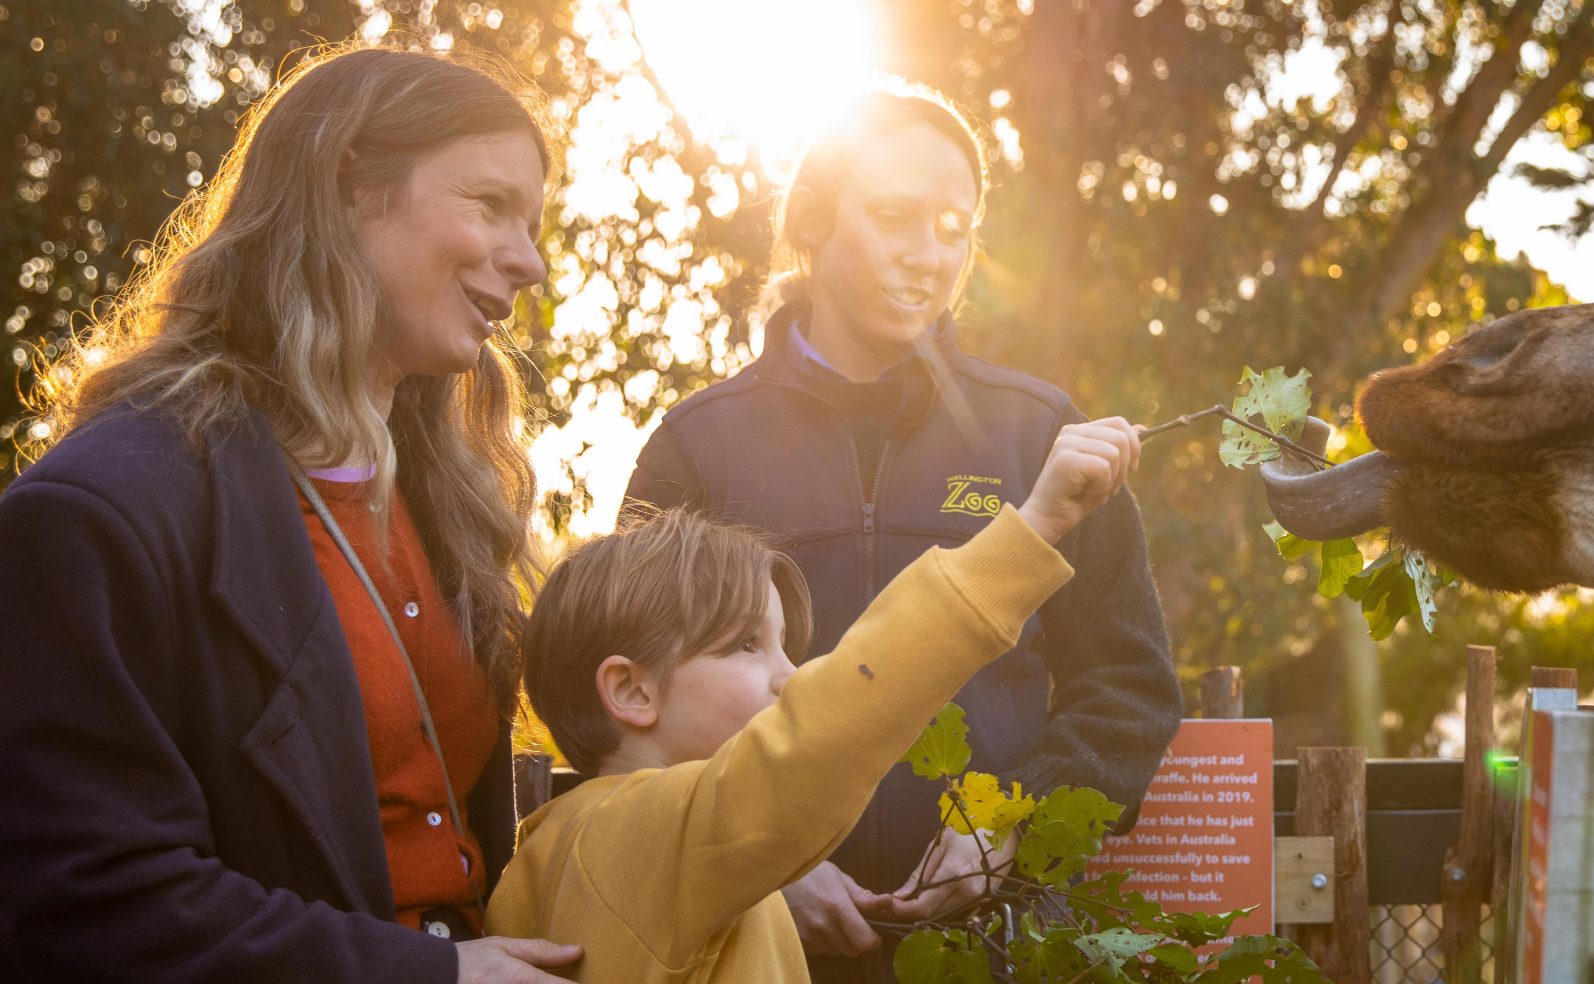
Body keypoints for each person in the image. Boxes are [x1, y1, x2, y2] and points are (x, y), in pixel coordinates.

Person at [0, 46, 583, 984]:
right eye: (490, 205)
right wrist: (432, 976)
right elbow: (93, 902)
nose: (532, 261)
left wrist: (701, 850)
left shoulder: (444, 493)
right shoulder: (97, 511)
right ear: (352, 185)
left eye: (535, 223)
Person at [619, 82, 1183, 978]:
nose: (929, 254)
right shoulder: (696, 450)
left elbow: (1129, 691)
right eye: (894, 216)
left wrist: (1010, 824)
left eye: (955, 227)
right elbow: (631, 717)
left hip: (997, 945)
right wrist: (761, 866)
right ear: (812, 221)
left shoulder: (1042, 437)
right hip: (759, 948)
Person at [491, 418, 1137, 983]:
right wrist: (1034, 527)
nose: (791, 678)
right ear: (632, 690)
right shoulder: (657, 832)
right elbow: (834, 721)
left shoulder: (551, 855)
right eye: (748, 646)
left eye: (785, 649)